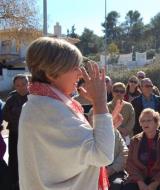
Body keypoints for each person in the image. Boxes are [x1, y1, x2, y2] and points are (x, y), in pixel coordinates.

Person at [18, 37, 115, 190]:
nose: (80, 74)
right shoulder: (51, 110)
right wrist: (100, 102)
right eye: (74, 67)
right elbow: (102, 154)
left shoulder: (38, 104)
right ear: (51, 73)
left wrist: (100, 115)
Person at [122, 108, 160, 190]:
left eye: (148, 120)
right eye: (143, 121)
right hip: (139, 178)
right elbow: (130, 163)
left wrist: (155, 183)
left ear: (156, 122)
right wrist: (140, 182)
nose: (145, 123)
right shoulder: (134, 140)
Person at [2, 74, 29, 190]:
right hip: (15, 134)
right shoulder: (11, 99)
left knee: (29, 160)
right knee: (14, 159)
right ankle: (14, 184)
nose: (21, 87)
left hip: (31, 136)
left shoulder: (35, 97)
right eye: (18, 85)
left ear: (28, 84)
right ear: (14, 86)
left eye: (24, 84)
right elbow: (6, 117)